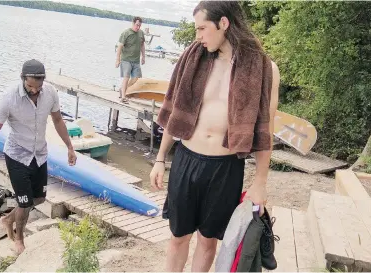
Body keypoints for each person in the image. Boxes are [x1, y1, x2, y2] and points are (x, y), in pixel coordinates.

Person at [149, 1, 280, 272]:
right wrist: (160, 158)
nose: (198, 36)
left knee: (208, 241)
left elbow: (266, 130)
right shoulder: (192, 58)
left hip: (226, 167)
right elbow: (175, 111)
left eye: (202, 28)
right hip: (186, 160)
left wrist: (260, 184)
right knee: (177, 237)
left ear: (224, 23)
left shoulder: (264, 69)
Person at [0, 59, 77, 255]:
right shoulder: (9, 98)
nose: (34, 91)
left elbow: (58, 120)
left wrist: (70, 146)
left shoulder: (50, 93)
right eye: (30, 86)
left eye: (38, 86)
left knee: (39, 198)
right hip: (17, 155)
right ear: (22, 79)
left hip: (40, 154)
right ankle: (19, 239)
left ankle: (8, 219)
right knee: (25, 201)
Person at [115, 16, 146, 104]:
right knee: (126, 77)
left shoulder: (141, 33)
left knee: (136, 78)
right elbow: (120, 46)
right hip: (126, 59)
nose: (138, 27)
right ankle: (123, 97)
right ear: (133, 23)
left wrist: (143, 57)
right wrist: (117, 60)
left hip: (136, 60)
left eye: (139, 25)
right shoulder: (126, 33)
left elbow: (142, 45)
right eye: (137, 25)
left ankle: (122, 89)